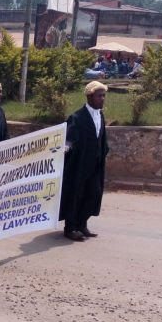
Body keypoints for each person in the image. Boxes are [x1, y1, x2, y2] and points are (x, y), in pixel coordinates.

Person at [59, 81, 110, 242]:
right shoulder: (77, 117)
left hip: (95, 164)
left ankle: (82, 224)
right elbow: (69, 138)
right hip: (79, 164)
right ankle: (70, 228)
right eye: (99, 96)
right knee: (76, 195)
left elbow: (101, 138)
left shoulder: (100, 115)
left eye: (104, 95)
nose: (103, 99)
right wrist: (67, 147)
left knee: (93, 193)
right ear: (90, 97)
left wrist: (103, 153)